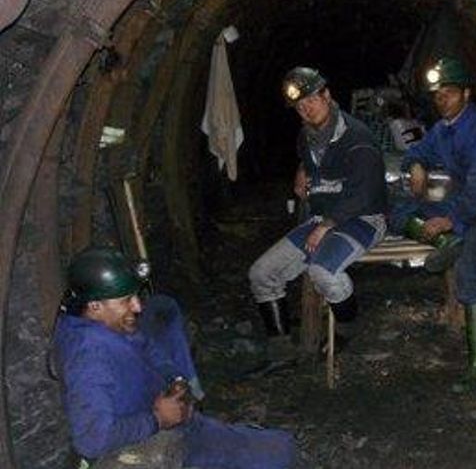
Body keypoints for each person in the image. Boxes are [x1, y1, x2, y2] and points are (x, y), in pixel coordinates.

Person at [53, 247, 297, 468]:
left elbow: (146, 346)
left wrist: (175, 377)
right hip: (153, 440)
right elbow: (92, 441)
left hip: (175, 420)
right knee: (279, 454)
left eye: (135, 296)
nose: (137, 307)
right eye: (126, 300)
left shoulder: (110, 325)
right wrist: (158, 418)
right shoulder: (88, 359)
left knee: (282, 447)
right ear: (95, 306)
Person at [249, 66, 387, 357]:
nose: (307, 109)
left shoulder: (358, 139)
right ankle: (282, 351)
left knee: (322, 272)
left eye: (311, 100)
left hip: (362, 218)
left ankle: (348, 327)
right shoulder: (306, 137)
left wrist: (327, 224)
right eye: (300, 106)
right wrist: (302, 169)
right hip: (321, 218)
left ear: (327, 95)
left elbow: (364, 194)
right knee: (261, 273)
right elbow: (311, 163)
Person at [390, 57, 476, 392]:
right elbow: (419, 152)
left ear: (466, 94)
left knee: (470, 267)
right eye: (438, 93)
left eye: (450, 92)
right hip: (467, 206)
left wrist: (450, 219)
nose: (442, 98)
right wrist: (415, 165)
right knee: (399, 207)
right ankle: (446, 244)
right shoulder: (444, 128)